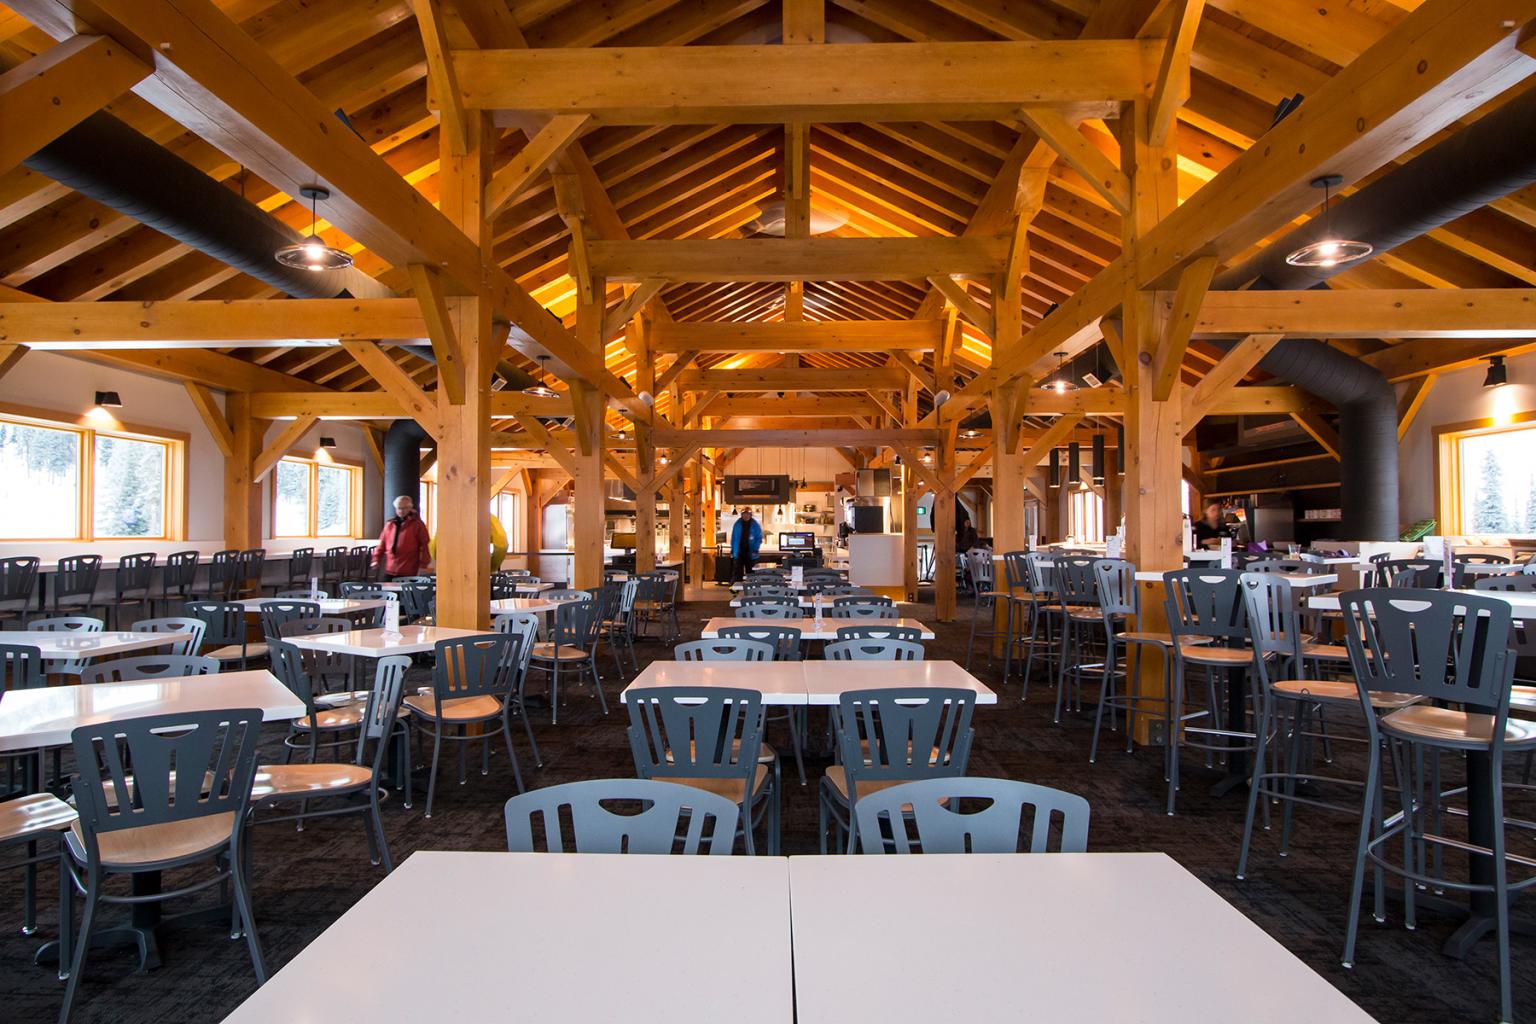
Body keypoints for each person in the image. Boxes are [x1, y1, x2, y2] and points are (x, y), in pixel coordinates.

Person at [375, 495, 432, 579]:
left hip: (409, 570)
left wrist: (423, 565)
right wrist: (376, 559)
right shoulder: (390, 524)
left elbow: (425, 546)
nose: (401, 511)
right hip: (390, 569)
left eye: (404, 508)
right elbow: (382, 544)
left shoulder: (417, 525)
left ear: (410, 508)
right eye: (399, 508)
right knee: (386, 586)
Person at [730, 507, 763, 580]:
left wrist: (755, 549)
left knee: (751, 572)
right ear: (741, 515)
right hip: (739, 552)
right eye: (744, 514)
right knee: (737, 572)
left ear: (750, 515)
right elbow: (734, 538)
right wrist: (733, 550)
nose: (746, 516)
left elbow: (759, 538)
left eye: (748, 514)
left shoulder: (755, 525)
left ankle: (752, 585)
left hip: (751, 552)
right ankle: (737, 585)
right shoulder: (737, 524)